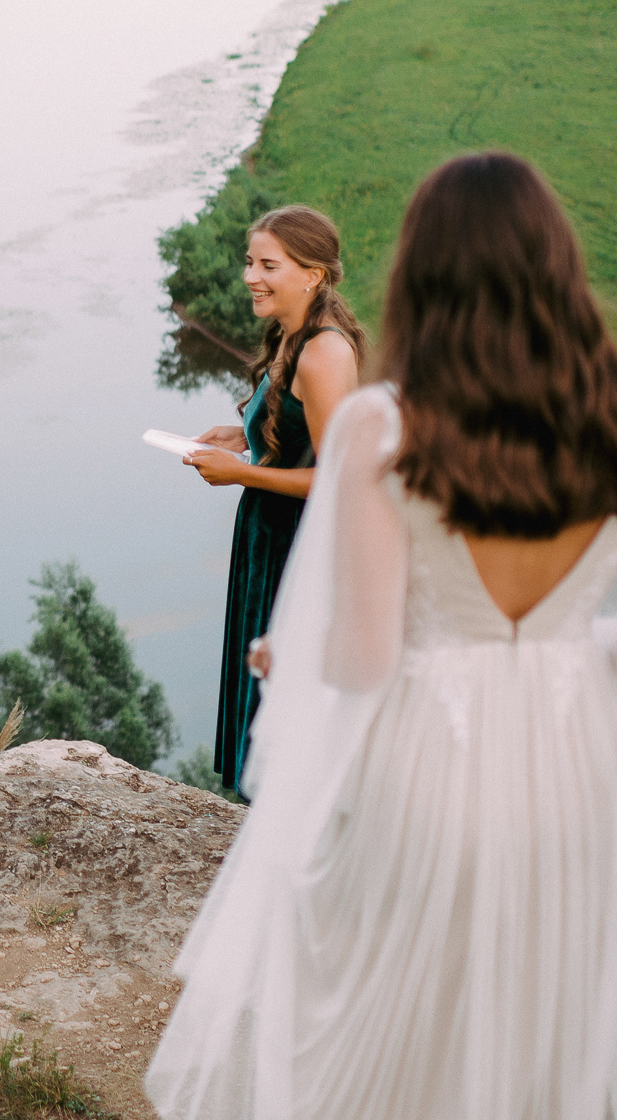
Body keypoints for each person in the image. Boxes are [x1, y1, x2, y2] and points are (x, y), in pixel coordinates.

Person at [145, 153, 617, 1120]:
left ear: (421, 271)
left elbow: (370, 655)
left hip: (427, 757)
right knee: (534, 1011)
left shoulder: (386, 425)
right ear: (558, 265)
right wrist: (559, 658)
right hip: (568, 763)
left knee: (382, 1012)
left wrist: (286, 657)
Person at [182, 205, 364, 793]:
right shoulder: (293, 334)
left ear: (312, 273)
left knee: (287, 691)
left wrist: (243, 474)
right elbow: (301, 430)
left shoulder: (325, 353)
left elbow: (341, 477)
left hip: (297, 549)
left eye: (268, 265)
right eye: (248, 262)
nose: (249, 277)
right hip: (268, 538)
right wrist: (247, 434)